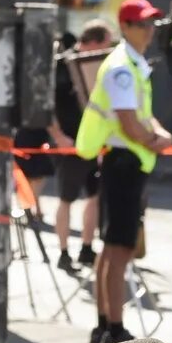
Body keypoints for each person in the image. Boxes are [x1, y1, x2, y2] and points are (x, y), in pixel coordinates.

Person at [76, 0, 172, 343]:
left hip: (124, 163)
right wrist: (156, 141)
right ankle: (114, 328)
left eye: (152, 24)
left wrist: (157, 133)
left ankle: (106, 324)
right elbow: (131, 124)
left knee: (112, 248)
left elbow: (141, 114)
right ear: (126, 27)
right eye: (143, 24)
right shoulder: (122, 67)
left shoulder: (132, 63)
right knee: (120, 250)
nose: (150, 31)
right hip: (125, 164)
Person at [51, 22, 111, 266]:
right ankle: (64, 252)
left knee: (94, 197)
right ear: (94, 43)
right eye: (105, 44)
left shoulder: (101, 66)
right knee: (66, 199)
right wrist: (58, 137)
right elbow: (46, 106)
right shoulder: (62, 65)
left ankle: (87, 248)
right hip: (69, 143)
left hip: (94, 143)